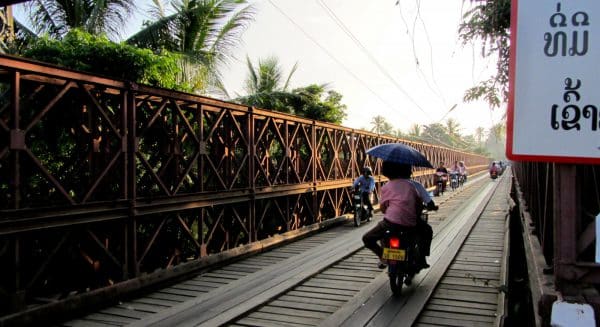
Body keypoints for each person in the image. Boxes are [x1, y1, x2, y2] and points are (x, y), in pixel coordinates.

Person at [362, 161, 438, 271]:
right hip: (411, 223)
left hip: (390, 223)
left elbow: (383, 209)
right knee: (427, 231)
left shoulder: (386, 186)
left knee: (367, 238)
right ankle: (421, 258)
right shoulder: (414, 186)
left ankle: (383, 256)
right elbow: (419, 205)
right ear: (408, 171)